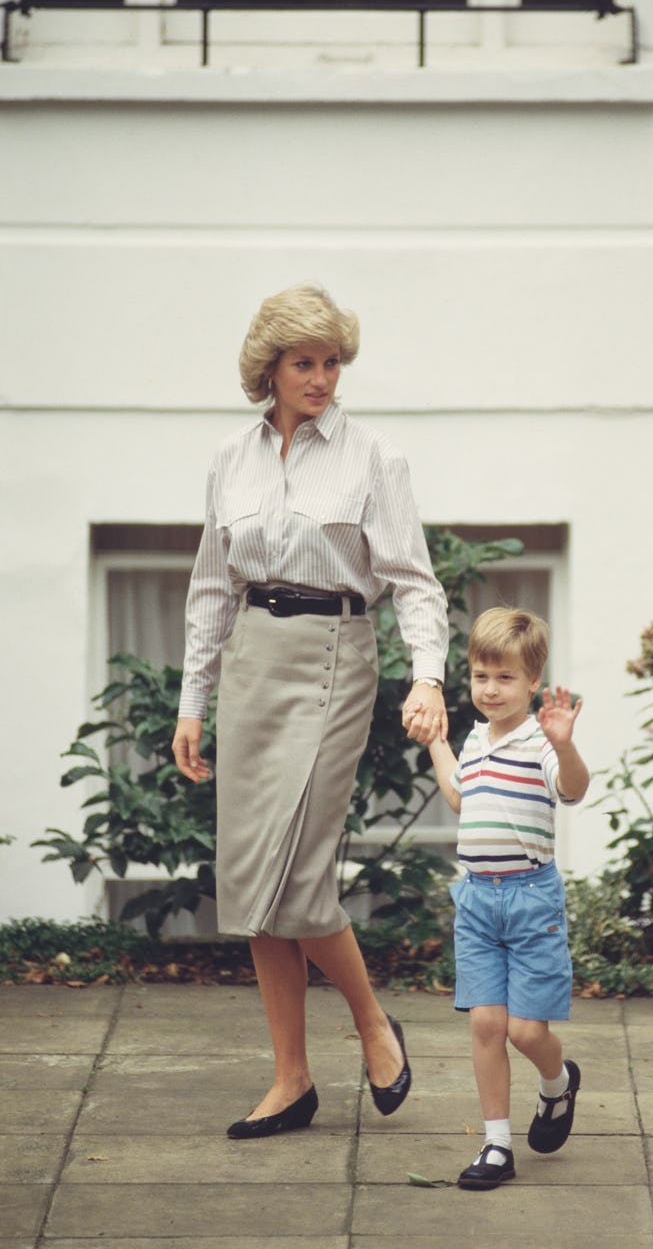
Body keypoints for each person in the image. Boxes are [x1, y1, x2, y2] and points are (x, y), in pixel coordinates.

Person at [171, 283, 449, 1138]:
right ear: (271, 369)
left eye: (332, 362)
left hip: (335, 657)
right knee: (252, 881)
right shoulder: (231, 458)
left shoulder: (373, 458)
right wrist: (194, 699)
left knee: (295, 879)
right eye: (305, 363)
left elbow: (412, 581)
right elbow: (213, 587)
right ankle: (291, 1079)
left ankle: (371, 1022)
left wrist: (428, 677)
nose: (323, 378)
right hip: (254, 660)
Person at [422, 606, 589, 1190]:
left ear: (533, 681)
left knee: (525, 1032)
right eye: (480, 677)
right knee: (487, 1025)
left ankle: (557, 1082)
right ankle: (497, 1146)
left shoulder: (539, 741)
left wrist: (564, 745)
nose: (490, 690)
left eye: (505, 678)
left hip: (529, 902)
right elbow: (463, 798)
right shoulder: (475, 737)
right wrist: (439, 743)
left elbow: (571, 790)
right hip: (475, 901)